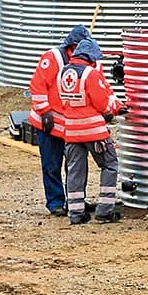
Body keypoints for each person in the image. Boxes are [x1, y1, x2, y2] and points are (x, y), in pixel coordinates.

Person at [57, 37, 125, 225]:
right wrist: (118, 108)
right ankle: (104, 211)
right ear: (90, 56)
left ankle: (76, 213)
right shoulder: (90, 74)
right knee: (110, 165)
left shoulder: (63, 72)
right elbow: (102, 102)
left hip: (71, 132)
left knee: (75, 171)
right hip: (94, 132)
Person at [27, 24, 89, 216]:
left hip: (71, 125)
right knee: (51, 164)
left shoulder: (88, 62)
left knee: (76, 165)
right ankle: (55, 202)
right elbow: (38, 86)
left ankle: (75, 200)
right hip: (49, 123)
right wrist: (45, 111)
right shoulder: (53, 58)